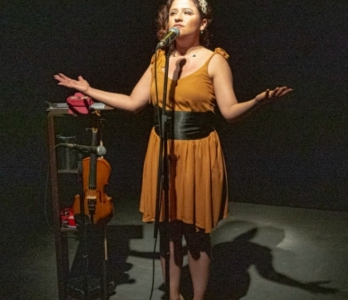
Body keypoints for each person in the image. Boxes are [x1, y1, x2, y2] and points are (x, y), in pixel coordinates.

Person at [54, 0, 293, 299]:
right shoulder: (159, 60)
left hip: (198, 152)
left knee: (195, 234)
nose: (178, 16)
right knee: (168, 234)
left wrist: (258, 101)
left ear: (202, 24)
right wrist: (90, 90)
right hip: (162, 150)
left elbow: (230, 112)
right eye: (174, 12)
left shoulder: (215, 61)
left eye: (188, 12)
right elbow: (133, 102)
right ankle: (174, 295)